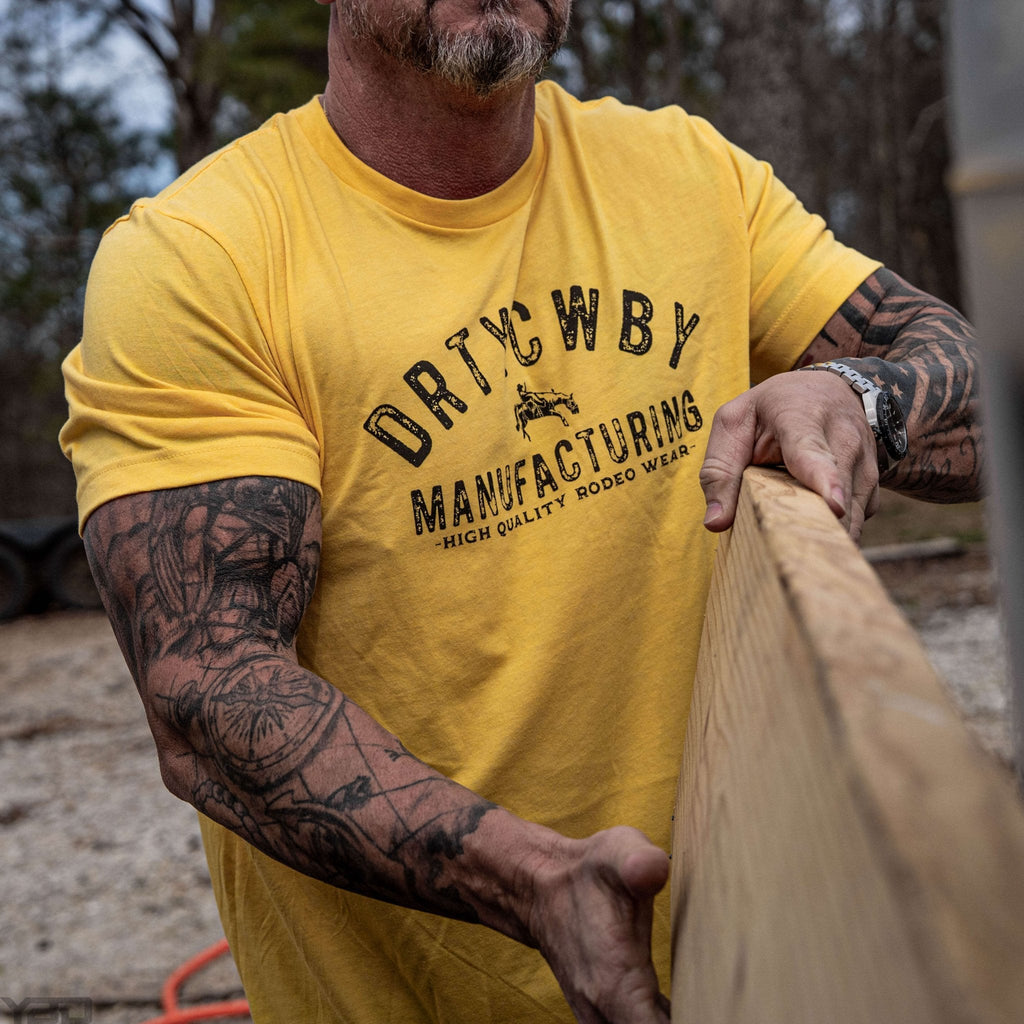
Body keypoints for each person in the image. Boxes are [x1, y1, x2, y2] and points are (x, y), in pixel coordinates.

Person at [59, 0, 981, 1021]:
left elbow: (971, 396)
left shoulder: (685, 174)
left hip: (743, 974)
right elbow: (207, 692)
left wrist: (862, 398)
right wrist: (536, 880)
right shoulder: (201, 257)